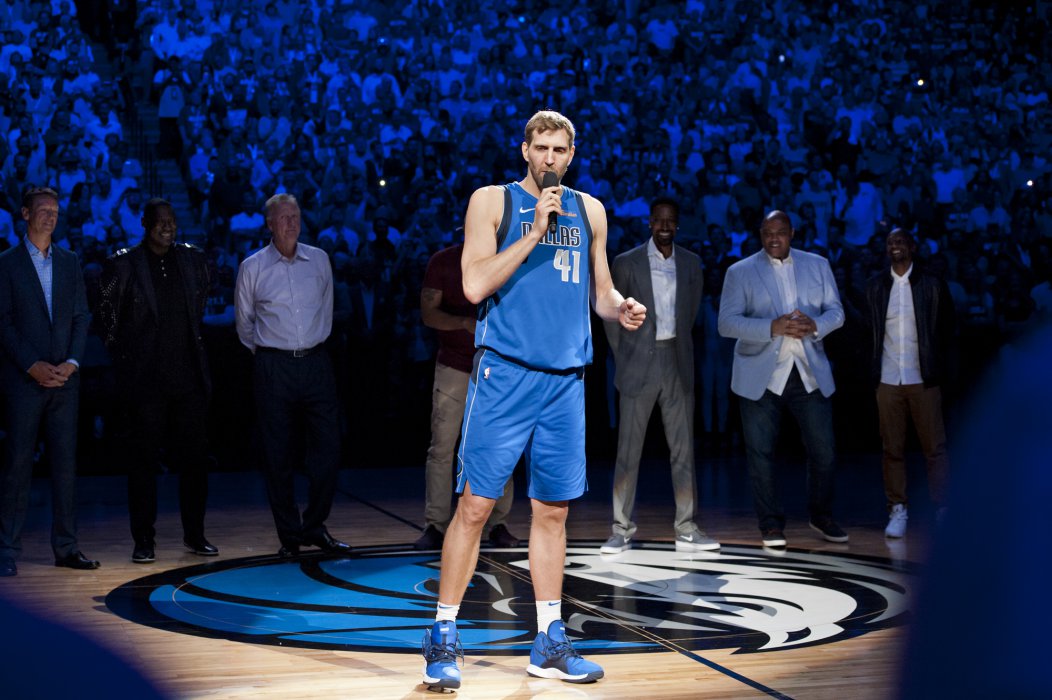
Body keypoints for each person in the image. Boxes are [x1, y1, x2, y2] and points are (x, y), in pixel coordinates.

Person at [420, 111, 646, 691]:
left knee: (553, 512)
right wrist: (532, 233)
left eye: (560, 150)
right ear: (525, 150)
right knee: (475, 505)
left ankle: (548, 639)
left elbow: (598, 290)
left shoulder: (590, 210)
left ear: (573, 155)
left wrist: (618, 307)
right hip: (505, 374)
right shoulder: (491, 202)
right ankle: (443, 633)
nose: (549, 158)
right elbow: (472, 287)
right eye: (540, 148)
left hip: (565, 380)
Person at [717, 210, 847, 548]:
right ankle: (771, 524)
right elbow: (726, 323)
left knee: (825, 452)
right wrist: (770, 327)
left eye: (780, 232)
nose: (774, 238)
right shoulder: (740, 271)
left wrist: (816, 325)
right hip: (759, 374)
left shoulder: (817, 265)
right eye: (767, 233)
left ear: (792, 233)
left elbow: (837, 312)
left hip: (808, 371)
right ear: (760, 234)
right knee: (761, 454)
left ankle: (821, 515)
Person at [97, 198, 217, 563]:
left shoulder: (192, 260)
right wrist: (128, 359)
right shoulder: (125, 264)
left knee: (195, 460)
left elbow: (201, 303)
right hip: (146, 382)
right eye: (160, 221)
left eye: (172, 221)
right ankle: (143, 540)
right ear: (146, 224)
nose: (168, 226)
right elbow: (106, 317)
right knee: (144, 463)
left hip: (188, 379)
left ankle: (195, 535)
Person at [234, 193, 349, 558]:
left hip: (316, 362)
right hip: (274, 366)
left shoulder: (319, 260)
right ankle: (290, 536)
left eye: (296, 216)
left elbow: (327, 312)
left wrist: (309, 345)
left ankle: (314, 525)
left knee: (328, 449)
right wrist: (272, 352)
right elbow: (244, 325)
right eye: (283, 218)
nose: (291, 223)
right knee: (277, 455)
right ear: (269, 224)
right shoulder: (252, 267)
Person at [600, 196, 717, 554]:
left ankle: (686, 527)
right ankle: (621, 528)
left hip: (676, 361)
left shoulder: (692, 263)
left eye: (670, 221)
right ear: (649, 223)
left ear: (676, 225)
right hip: (638, 362)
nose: (664, 227)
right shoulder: (627, 262)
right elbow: (613, 318)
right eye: (659, 221)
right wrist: (625, 356)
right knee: (628, 451)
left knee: (683, 450)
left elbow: (691, 312)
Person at [0, 186, 98, 576]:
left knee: (65, 467)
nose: (50, 216)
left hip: (65, 380)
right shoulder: (6, 263)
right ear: (24, 214)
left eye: (55, 210)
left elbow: (81, 317)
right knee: (17, 465)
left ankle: (67, 547)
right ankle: (7, 548)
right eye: (43, 210)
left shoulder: (70, 261)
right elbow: (3, 323)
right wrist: (32, 365)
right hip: (25, 381)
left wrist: (72, 362)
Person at [413, 239, 518, 552]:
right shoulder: (444, 261)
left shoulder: (503, 258)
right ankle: (436, 524)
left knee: (499, 447)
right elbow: (428, 314)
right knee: (443, 446)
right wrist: (461, 322)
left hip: (496, 366)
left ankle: (497, 523)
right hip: (454, 366)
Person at [864, 229, 954, 538]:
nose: (895, 247)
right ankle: (897, 509)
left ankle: (943, 508)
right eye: (890, 242)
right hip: (888, 378)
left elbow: (947, 330)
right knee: (892, 449)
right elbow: (868, 332)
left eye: (900, 241)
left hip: (923, 377)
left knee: (935, 448)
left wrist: (939, 369)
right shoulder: (875, 287)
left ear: (912, 247)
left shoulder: (932, 285)